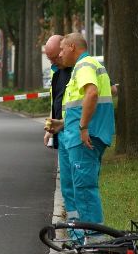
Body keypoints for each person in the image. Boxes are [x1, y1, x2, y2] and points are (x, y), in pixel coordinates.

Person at [45, 32, 115, 229]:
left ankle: (93, 239)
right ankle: (80, 234)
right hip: (81, 135)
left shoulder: (84, 66)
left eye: (61, 49)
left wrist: (83, 127)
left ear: (72, 48)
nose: (60, 54)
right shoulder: (82, 67)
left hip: (86, 137)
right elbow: (78, 106)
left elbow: (91, 93)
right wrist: (62, 124)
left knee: (84, 189)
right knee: (78, 188)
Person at [43, 35, 77, 222]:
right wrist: (50, 127)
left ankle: (85, 234)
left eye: (56, 57)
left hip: (76, 134)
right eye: (50, 59)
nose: (54, 61)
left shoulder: (79, 70)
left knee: (79, 187)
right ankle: (74, 230)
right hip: (63, 134)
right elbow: (57, 101)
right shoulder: (58, 74)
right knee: (68, 188)